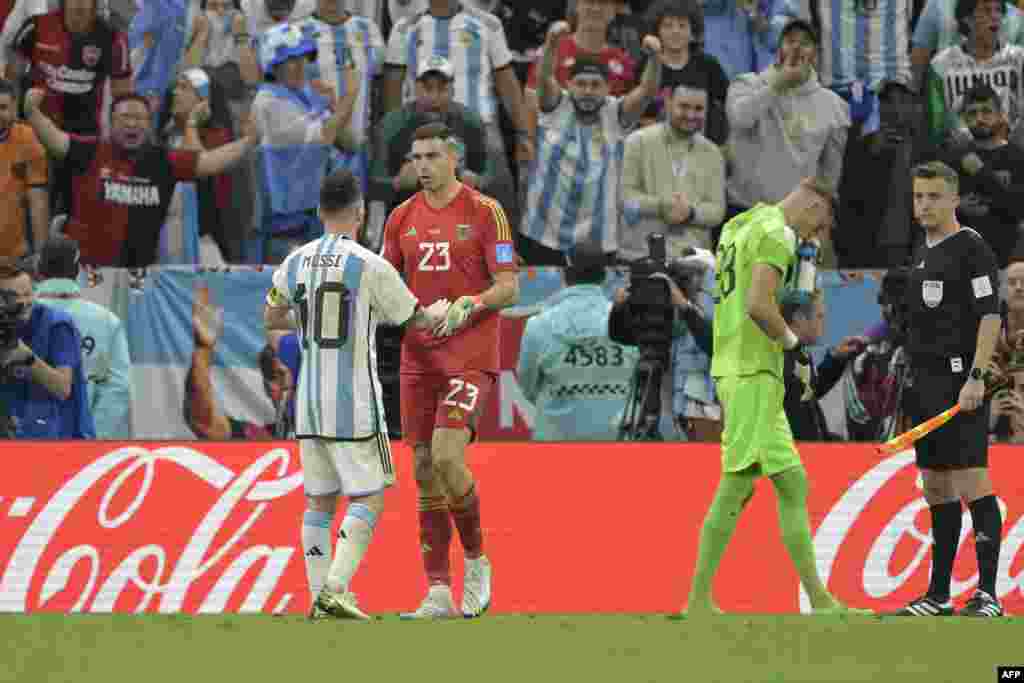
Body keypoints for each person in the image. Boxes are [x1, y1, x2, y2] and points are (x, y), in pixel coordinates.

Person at [264, 168, 447, 620]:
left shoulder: (295, 260)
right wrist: (439, 311)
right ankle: (335, 587)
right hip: (354, 404)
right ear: (360, 213)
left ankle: (316, 600)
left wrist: (307, 325)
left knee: (319, 502)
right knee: (368, 497)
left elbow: (271, 316)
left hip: (308, 404)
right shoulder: (369, 264)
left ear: (320, 211)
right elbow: (415, 319)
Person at [683, 177, 868, 616]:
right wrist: (796, 349)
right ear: (815, 206)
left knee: (791, 482)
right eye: (820, 226)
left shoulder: (739, 224)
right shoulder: (778, 233)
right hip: (752, 370)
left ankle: (819, 600)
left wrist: (803, 273)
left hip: (738, 364)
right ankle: (698, 601)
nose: (815, 236)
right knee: (738, 482)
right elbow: (759, 305)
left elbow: (744, 297)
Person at [380, 121, 519, 619]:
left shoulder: (485, 212)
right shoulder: (400, 218)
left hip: (469, 354)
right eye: (416, 158)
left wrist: (469, 305)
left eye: (432, 156)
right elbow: (385, 283)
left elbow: (508, 286)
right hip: (418, 356)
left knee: (445, 456)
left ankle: (478, 560)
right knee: (421, 469)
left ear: (453, 158)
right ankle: (438, 589)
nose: (423, 166)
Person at [888, 160, 1004, 617]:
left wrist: (976, 377)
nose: (925, 205)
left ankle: (988, 594)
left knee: (972, 478)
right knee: (935, 485)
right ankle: (938, 595)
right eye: (919, 196)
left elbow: (990, 316)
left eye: (934, 196)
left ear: (954, 199)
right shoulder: (923, 249)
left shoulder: (971, 248)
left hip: (961, 382)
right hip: (926, 382)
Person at [24, 88, 259, 267]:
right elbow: (54, 139)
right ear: (111, 121)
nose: (132, 123)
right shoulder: (90, 151)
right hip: (86, 272)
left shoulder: (162, 161)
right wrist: (32, 112)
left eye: (139, 119)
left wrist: (248, 141)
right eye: (125, 117)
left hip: (138, 276)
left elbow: (209, 162)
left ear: (148, 125)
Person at [520, 21, 663, 265]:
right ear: (569, 85)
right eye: (581, 84)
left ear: (608, 88)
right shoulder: (555, 106)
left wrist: (656, 58)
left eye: (596, 85)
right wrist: (552, 43)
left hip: (598, 241)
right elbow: (544, 76)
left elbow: (647, 91)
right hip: (542, 233)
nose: (588, 91)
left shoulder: (615, 114)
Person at [725, 19, 850, 258]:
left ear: (815, 53)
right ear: (778, 48)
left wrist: (823, 222)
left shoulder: (834, 105)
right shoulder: (747, 84)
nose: (796, 48)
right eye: (790, 41)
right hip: (746, 213)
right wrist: (780, 83)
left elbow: (830, 178)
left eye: (805, 43)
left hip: (799, 221)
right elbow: (740, 119)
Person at [516, 243, 639, 440]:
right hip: (614, 438)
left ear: (564, 274)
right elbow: (639, 382)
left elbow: (527, 385)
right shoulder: (628, 321)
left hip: (555, 442)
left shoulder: (539, 324)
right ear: (604, 275)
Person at [35, 236, 131, 438]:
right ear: (77, 270)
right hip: (81, 439)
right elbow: (118, 388)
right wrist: (92, 436)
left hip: (22, 438)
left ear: (38, 268)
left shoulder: (13, 316)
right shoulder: (106, 321)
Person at [620, 81, 726, 259]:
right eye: (683, 107)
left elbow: (717, 211)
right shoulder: (637, 142)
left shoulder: (713, 153)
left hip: (692, 260)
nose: (691, 115)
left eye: (699, 109)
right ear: (668, 103)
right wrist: (662, 206)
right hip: (640, 255)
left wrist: (690, 213)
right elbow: (624, 198)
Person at [186, 282, 300, 439]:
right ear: (266, 386)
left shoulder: (339, 438)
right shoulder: (259, 439)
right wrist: (203, 349)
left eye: (295, 374)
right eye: (276, 377)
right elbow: (204, 423)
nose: (286, 385)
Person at [0, 262, 93, 439]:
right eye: (12, 297)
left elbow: (63, 388)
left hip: (58, 437)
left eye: (28, 294)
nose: (23, 302)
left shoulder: (56, 324)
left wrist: (27, 357)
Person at [935, 83, 1024, 267]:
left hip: (1006, 260)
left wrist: (980, 172)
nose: (980, 118)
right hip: (961, 261)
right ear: (964, 118)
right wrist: (958, 207)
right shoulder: (953, 159)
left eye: (986, 111)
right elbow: (932, 208)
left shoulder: (1016, 156)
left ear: (1000, 114)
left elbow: (1018, 207)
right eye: (973, 113)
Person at [925, 0, 1024, 148]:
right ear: (968, 19)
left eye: (999, 11)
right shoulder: (941, 65)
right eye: (986, 11)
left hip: (1013, 154)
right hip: (959, 156)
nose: (995, 16)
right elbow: (937, 125)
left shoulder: (1019, 59)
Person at [779, 290, 865, 440]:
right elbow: (798, 422)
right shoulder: (784, 361)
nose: (823, 323)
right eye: (819, 316)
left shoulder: (798, 354)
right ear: (799, 318)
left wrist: (836, 358)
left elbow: (810, 393)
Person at [0, 78, 48, 260]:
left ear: (13, 109)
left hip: (15, 254)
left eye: (2, 107)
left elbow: (38, 198)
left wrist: (40, 255)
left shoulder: (27, 138)